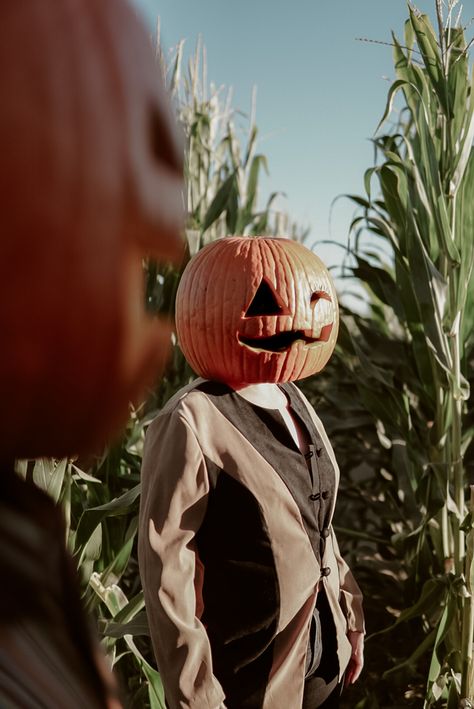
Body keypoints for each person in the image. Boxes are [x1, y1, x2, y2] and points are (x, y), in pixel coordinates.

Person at [139, 236, 364, 708]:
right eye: (265, 302)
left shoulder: (293, 397)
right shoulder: (193, 419)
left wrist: (349, 616)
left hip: (322, 662)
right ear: (202, 309)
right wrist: (197, 696)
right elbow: (166, 571)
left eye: (314, 299)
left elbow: (318, 522)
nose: (292, 318)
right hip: (248, 678)